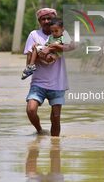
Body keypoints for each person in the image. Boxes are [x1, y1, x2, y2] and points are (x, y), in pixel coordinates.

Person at [24, 8, 73, 137]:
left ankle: (55, 147)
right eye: (43, 19)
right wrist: (38, 55)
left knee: (56, 117)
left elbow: (72, 47)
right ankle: (39, 130)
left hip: (57, 82)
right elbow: (29, 58)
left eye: (49, 18)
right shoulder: (34, 35)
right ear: (39, 21)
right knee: (31, 110)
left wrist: (53, 47)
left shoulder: (63, 34)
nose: (46, 21)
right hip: (38, 82)